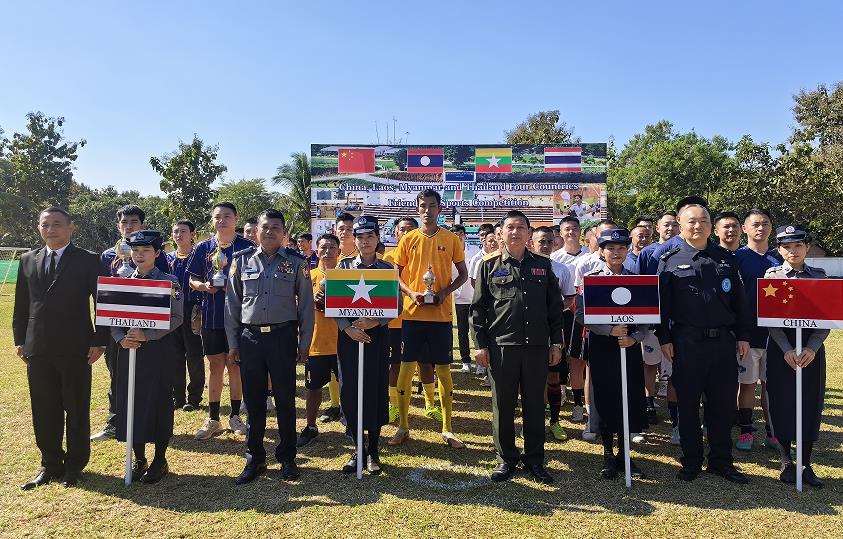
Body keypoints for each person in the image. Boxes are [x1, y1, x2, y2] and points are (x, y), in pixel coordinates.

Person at [656, 203, 751, 484]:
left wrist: (743, 335)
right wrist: (664, 338)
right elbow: (662, 305)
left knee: (722, 405)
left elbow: (740, 302)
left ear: (711, 226)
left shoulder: (726, 259)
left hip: (722, 342)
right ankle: (691, 460)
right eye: (692, 221)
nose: (698, 226)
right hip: (687, 342)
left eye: (704, 221)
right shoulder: (669, 260)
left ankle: (722, 461)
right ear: (681, 225)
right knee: (687, 404)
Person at [15, 208, 108, 490]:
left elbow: (102, 302)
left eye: (57, 224)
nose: (51, 229)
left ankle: (75, 465)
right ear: (38, 228)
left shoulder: (88, 260)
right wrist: (20, 339)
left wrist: (99, 340)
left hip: (76, 346)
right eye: (45, 224)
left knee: (76, 408)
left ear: (71, 228)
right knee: (44, 408)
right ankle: (50, 463)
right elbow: (22, 305)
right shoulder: (27, 260)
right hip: (38, 347)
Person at [471, 210, 564, 484]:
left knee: (534, 404)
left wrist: (556, 342)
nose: (515, 232)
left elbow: (554, 308)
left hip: (536, 346)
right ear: (501, 233)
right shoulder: (488, 265)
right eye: (510, 227)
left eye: (521, 227)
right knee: (503, 405)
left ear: (528, 233)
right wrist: (480, 345)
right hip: (502, 347)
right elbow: (478, 310)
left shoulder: (543, 265)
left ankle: (534, 460)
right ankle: (506, 459)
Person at [225, 209, 314, 484]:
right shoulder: (241, 260)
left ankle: (287, 457)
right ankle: (255, 458)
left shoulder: (297, 263)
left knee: (285, 400)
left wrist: (304, 343)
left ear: (284, 233)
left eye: (276, 227)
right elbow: (232, 304)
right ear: (256, 231)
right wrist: (233, 343)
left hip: (282, 337)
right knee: (254, 401)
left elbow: (306, 306)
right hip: (250, 338)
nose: (270, 232)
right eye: (265, 227)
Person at [390, 189, 468, 448]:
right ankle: (403, 426)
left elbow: (463, 274)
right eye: (423, 206)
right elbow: (395, 275)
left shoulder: (450, 239)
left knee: (443, 371)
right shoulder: (408, 239)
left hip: (441, 317)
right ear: (417, 209)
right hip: (412, 315)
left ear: (439, 209)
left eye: (432, 206)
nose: (427, 210)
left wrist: (444, 292)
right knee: (406, 368)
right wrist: (410, 292)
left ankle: (448, 428)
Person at [92, 204, 170, 441]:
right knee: (117, 374)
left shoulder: (155, 253)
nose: (129, 226)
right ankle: (115, 421)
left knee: (147, 376)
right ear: (118, 226)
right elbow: (100, 293)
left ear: (142, 225)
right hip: (116, 326)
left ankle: (146, 423)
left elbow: (164, 290)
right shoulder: (108, 255)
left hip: (146, 328)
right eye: (124, 222)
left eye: (134, 222)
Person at [111, 230, 183, 484]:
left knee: (159, 402)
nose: (139, 255)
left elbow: (176, 318)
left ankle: (159, 460)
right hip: (129, 349)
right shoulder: (121, 280)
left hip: (158, 351)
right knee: (131, 402)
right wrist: (121, 338)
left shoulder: (170, 282)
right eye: (135, 250)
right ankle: (139, 458)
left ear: (157, 253)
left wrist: (147, 335)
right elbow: (111, 315)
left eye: (146, 250)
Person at [577, 229, 649, 479]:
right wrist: (608, 330)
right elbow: (581, 315)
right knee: (606, 398)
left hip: (629, 346)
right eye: (610, 248)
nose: (616, 253)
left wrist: (634, 338)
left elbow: (648, 317)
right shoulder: (591, 280)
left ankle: (624, 453)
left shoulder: (637, 280)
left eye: (621, 248)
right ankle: (608, 453)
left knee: (629, 398)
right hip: (602, 347)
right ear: (601, 251)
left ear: (627, 250)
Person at [764, 225, 828, 488]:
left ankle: (806, 463)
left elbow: (827, 318)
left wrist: (812, 348)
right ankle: (786, 461)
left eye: (798, 245)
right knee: (782, 401)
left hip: (811, 350)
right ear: (779, 250)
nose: (793, 251)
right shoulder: (772, 276)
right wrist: (786, 349)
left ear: (807, 247)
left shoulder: (819, 277)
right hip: (782, 348)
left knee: (810, 402)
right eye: (787, 247)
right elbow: (769, 319)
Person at [188, 202, 254, 440]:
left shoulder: (248, 247)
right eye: (217, 217)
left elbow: (256, 281)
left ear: (236, 218)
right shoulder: (203, 247)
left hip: (239, 317)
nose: (222, 221)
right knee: (215, 366)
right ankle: (213, 419)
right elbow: (192, 280)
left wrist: (234, 287)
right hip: (212, 315)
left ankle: (236, 416)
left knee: (234, 365)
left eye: (227, 216)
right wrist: (205, 286)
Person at [335, 216, 395, 474]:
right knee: (350, 390)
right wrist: (347, 328)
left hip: (376, 337)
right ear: (354, 240)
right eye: (360, 236)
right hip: (349, 338)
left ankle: (374, 450)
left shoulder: (387, 269)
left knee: (375, 389)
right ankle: (358, 448)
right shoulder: (343, 267)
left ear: (378, 238)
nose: (365, 241)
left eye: (370, 236)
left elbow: (396, 306)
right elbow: (332, 303)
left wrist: (376, 322)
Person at [734, 208, 782, 452]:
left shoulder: (781, 257)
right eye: (755, 224)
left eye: (765, 223)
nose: (760, 228)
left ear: (771, 227)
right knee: (747, 384)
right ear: (745, 228)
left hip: (777, 335)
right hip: (748, 335)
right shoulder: (737, 258)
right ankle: (745, 430)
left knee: (771, 385)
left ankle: (773, 433)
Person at [635, 209, 681, 443]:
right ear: (658, 228)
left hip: (678, 322)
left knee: (674, 370)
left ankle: (676, 418)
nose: (670, 228)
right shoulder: (648, 253)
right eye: (666, 224)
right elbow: (641, 285)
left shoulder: (687, 249)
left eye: (674, 224)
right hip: (653, 321)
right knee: (649, 364)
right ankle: (648, 402)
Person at [297, 233, 342, 447]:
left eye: (332, 247)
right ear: (316, 250)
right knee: (313, 388)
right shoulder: (309, 275)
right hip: (316, 341)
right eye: (323, 247)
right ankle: (311, 426)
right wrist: (311, 300)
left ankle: (352, 425)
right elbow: (297, 304)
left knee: (348, 387)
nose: (327, 251)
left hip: (343, 342)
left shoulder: (348, 276)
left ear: (339, 251)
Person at [532, 226, 576, 441]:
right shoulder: (524, 267)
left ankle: (555, 421)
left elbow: (569, 297)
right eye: (541, 241)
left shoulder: (561, 269)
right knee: (533, 378)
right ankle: (535, 422)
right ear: (532, 243)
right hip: (531, 331)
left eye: (549, 241)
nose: (546, 245)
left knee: (554, 376)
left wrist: (555, 311)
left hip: (554, 330)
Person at [383, 217, 419, 422]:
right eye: (402, 230)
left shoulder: (424, 253)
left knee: (420, 362)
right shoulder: (388, 257)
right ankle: (394, 404)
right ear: (396, 233)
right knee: (395, 363)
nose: (406, 233)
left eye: (410, 229)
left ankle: (429, 403)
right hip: (395, 320)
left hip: (419, 316)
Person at [167, 219, 204, 411]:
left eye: (183, 231)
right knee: (174, 355)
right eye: (175, 231)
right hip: (172, 310)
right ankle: (177, 397)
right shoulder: (167, 259)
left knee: (194, 354)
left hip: (192, 310)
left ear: (192, 234)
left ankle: (194, 397)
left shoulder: (199, 257)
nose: (179, 235)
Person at [451, 224, 474, 373]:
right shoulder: (448, 253)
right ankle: (466, 361)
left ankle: (481, 363)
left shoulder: (474, 251)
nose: (458, 236)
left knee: (478, 331)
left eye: (460, 233)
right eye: (454, 234)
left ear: (465, 236)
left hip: (477, 298)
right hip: (460, 298)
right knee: (462, 331)